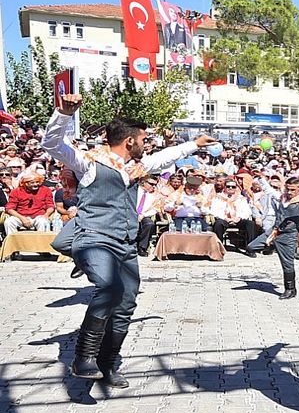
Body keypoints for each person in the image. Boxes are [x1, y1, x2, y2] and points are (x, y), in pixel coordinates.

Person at [41, 93, 216, 387]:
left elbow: (162, 158)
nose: (146, 144)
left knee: (125, 303)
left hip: (124, 244)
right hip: (94, 238)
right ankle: (83, 357)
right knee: (109, 288)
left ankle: (108, 364)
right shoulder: (89, 163)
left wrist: (193, 144)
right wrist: (63, 114)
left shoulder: (135, 167)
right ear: (130, 141)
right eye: (144, 139)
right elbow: (52, 145)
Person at [252, 177, 299, 299]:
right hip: (275, 231)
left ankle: (290, 289)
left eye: (292, 190)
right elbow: (269, 191)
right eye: (287, 189)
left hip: (288, 235)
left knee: (287, 264)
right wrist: (260, 177)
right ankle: (271, 246)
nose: (289, 192)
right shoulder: (282, 197)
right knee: (251, 247)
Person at [209, 179, 257, 257]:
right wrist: (225, 218)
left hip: (237, 219)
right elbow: (214, 211)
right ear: (224, 187)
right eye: (228, 186)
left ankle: (250, 249)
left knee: (250, 224)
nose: (230, 188)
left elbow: (247, 211)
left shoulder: (241, 198)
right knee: (218, 224)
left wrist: (239, 218)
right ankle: (218, 249)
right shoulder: (218, 197)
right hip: (224, 219)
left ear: (236, 188)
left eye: (233, 187)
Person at [3, 170, 54, 235]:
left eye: (37, 182)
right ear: (26, 183)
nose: (35, 184)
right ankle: (14, 243)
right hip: (21, 216)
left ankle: (41, 243)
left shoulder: (46, 190)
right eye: (32, 183)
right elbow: (9, 209)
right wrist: (22, 218)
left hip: (39, 216)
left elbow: (50, 206)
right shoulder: (16, 191)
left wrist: (46, 215)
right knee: (9, 221)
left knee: (43, 221)